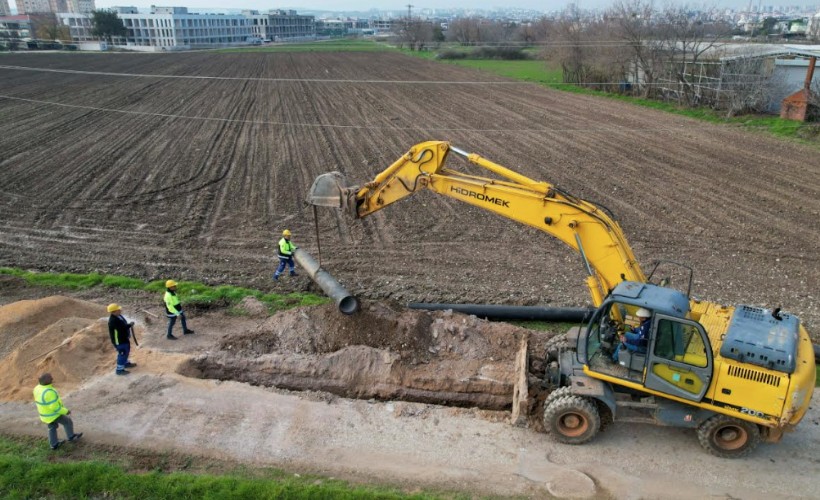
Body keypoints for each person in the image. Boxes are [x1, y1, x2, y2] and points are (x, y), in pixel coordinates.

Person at [33, 373, 83, 450]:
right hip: (53, 415)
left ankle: (54, 444)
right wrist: (66, 411)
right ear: (45, 380)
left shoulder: (37, 388)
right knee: (67, 421)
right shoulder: (49, 392)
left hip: (44, 414)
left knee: (52, 427)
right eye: (50, 378)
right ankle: (71, 437)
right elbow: (55, 407)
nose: (52, 378)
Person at [107, 303, 136, 375]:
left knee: (126, 351)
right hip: (119, 341)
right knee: (122, 353)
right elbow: (122, 328)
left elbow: (123, 324)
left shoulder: (118, 316)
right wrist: (129, 325)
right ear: (113, 311)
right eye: (118, 309)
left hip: (124, 338)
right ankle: (119, 370)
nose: (120, 310)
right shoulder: (113, 321)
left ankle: (125, 363)